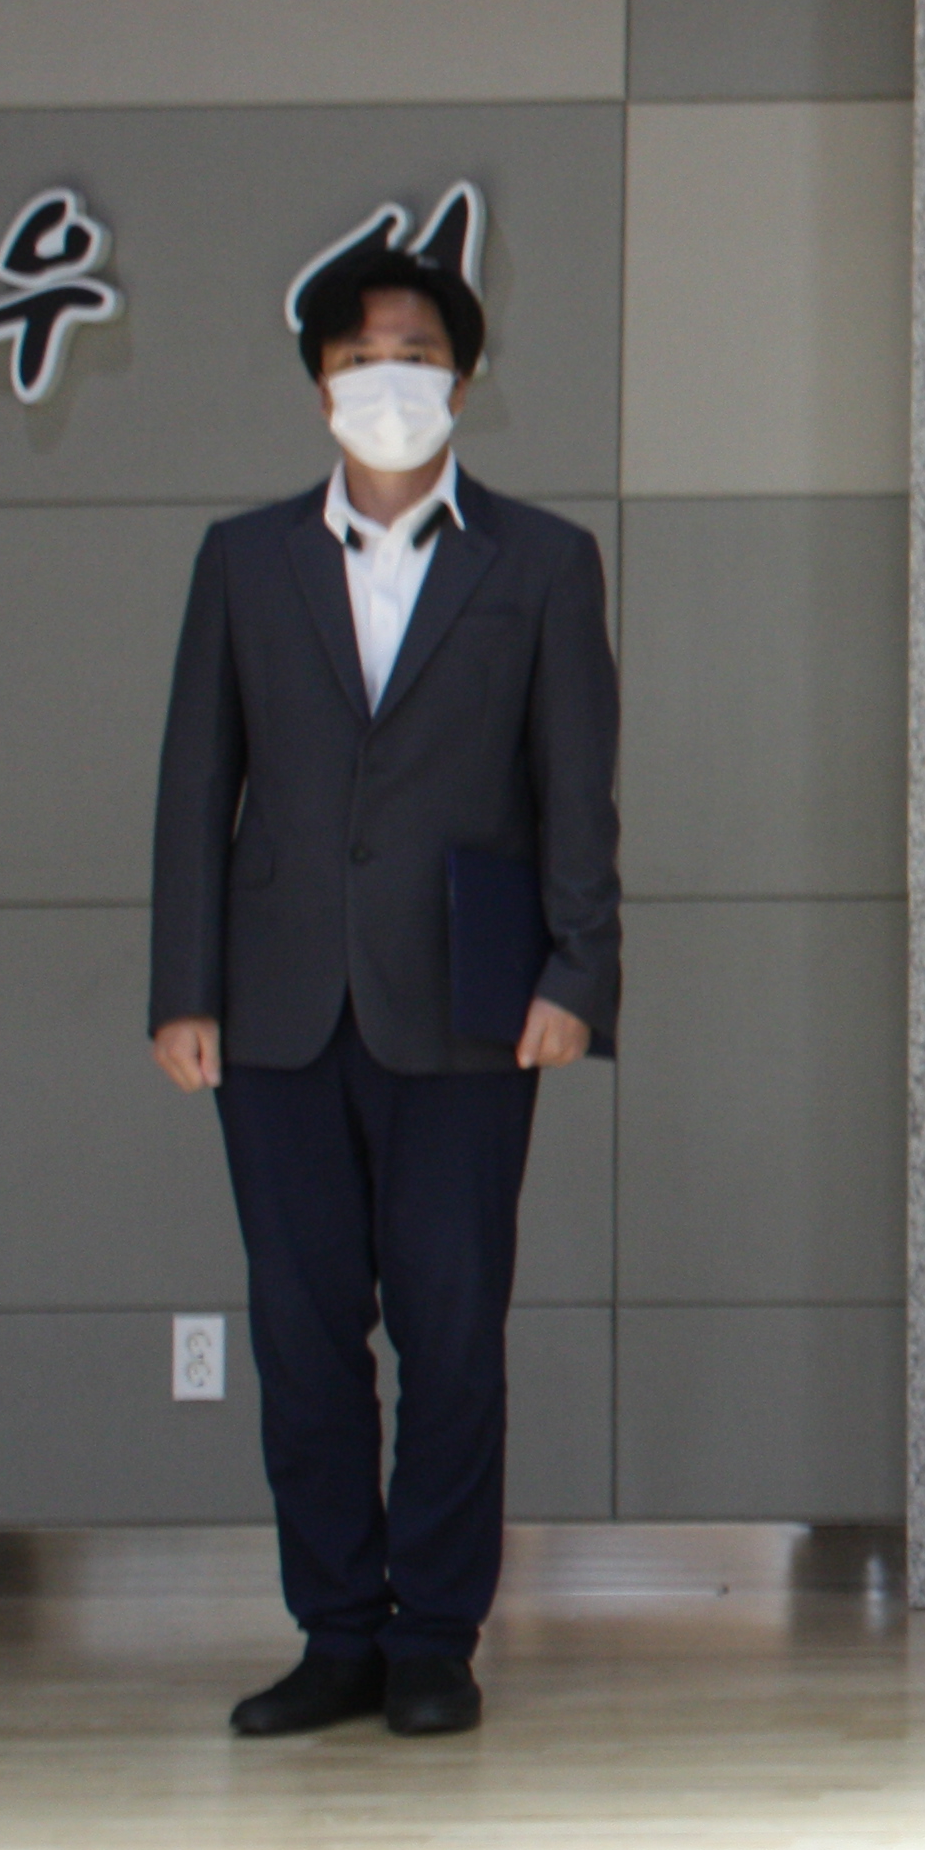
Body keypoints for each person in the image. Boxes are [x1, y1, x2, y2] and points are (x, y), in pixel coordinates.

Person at [146, 237, 619, 1743]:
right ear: (319, 391)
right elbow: (195, 785)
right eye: (358, 361)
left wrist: (577, 971)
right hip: (276, 1010)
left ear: (462, 379)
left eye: (413, 357)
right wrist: (183, 990)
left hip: (472, 1004)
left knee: (453, 1330)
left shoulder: (541, 562)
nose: (386, 382)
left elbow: (577, 790)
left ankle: (435, 1637)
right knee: (301, 1335)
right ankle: (337, 1631)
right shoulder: (244, 561)